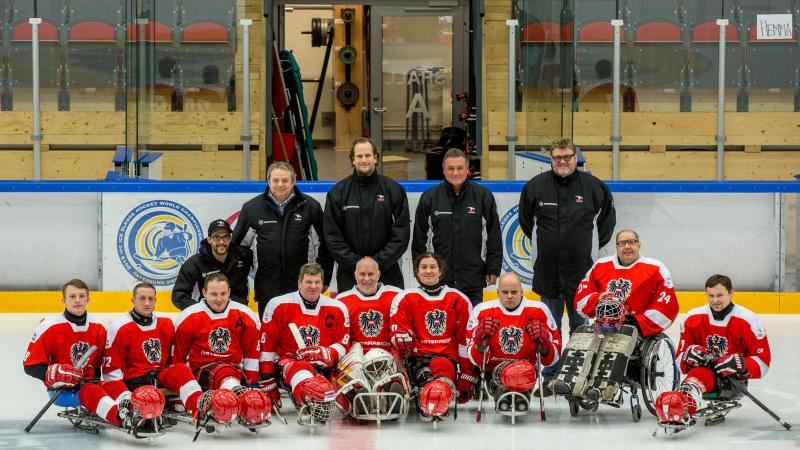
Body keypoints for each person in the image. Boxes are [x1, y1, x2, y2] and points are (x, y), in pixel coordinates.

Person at [518, 137, 616, 395]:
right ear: (550, 159)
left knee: (581, 329)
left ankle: (577, 376)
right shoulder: (535, 187)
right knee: (549, 330)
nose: (562, 162)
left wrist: (586, 252)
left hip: (582, 277)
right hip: (548, 273)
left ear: (576, 158)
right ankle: (550, 377)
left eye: (567, 157)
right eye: (557, 158)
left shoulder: (595, 187)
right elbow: (527, 223)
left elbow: (605, 226)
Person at [23, 279, 164, 434]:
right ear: (63, 300)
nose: (77, 300)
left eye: (82, 295)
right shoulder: (49, 326)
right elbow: (30, 365)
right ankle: (123, 419)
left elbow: (97, 366)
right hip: (62, 390)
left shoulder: (98, 326)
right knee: (91, 390)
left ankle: (138, 410)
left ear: (88, 299)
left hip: (90, 383)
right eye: (72, 296)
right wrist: (54, 373)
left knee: (114, 385)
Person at [655, 274, 771, 428]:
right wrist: (688, 355)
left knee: (700, 376)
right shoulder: (692, 318)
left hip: (733, 380)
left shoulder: (748, 319)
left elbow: (763, 363)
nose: (715, 300)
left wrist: (741, 363)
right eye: (711, 295)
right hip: (702, 374)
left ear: (731, 293)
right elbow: (680, 362)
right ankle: (681, 406)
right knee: (697, 375)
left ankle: (680, 405)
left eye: (720, 295)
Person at [233, 162, 333, 318]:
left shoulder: (311, 207)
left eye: (285, 180)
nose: (280, 185)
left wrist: (324, 278)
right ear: (268, 181)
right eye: (275, 180)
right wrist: (244, 279)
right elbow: (238, 248)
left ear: (293, 182)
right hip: (267, 289)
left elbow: (324, 245)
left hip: (302, 288)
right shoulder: (252, 208)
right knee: (270, 339)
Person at [173, 273, 270, 427]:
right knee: (222, 371)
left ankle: (238, 395)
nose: (219, 299)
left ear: (229, 292)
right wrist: (182, 390)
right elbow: (178, 359)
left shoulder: (244, 314)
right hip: (201, 375)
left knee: (226, 371)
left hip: (235, 371)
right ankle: (239, 396)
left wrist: (252, 382)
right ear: (204, 293)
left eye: (223, 294)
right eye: (213, 294)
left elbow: (251, 353)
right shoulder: (188, 317)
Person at [259, 263, 349, 426]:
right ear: (299, 282)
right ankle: (310, 399)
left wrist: (326, 353)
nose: (313, 287)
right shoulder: (278, 304)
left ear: (323, 284)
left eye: (317, 282)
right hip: (287, 362)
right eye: (308, 282)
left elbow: (343, 343)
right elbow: (267, 344)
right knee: (300, 367)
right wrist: (267, 378)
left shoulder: (338, 307)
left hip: (323, 364)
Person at [390, 252, 475, 421]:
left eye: (432, 267)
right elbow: (398, 333)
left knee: (440, 367)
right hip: (417, 360)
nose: (428, 271)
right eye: (423, 267)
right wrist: (402, 342)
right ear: (417, 272)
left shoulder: (458, 299)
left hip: (446, 360)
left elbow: (464, 341)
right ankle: (425, 394)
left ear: (440, 271)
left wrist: (467, 373)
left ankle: (437, 395)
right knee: (425, 376)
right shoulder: (405, 298)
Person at [412, 148, 502, 306]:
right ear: (444, 170)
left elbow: (493, 235)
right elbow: (420, 237)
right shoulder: (429, 198)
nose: (455, 173)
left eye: (460, 168)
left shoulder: (483, 196)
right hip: (438, 280)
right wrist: (419, 269)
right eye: (451, 168)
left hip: (472, 279)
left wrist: (493, 269)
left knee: (471, 328)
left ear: (468, 169)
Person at [104, 283, 203, 419]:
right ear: (133, 300)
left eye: (151, 299)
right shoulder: (120, 327)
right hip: (135, 380)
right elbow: (112, 373)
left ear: (155, 300)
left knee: (181, 369)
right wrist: (124, 397)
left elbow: (173, 360)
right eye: (142, 298)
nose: (147, 303)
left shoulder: (166, 323)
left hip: (159, 375)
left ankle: (200, 406)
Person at [324, 137, 410, 292]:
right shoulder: (338, 193)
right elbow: (332, 236)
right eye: (359, 156)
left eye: (368, 155)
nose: (364, 160)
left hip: (387, 273)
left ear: (376, 157)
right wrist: (358, 265)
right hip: (350, 275)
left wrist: (376, 263)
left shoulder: (393, 190)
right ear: (352, 160)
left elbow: (401, 234)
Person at [466, 273, 561, 412]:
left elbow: (551, 360)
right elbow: (475, 360)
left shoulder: (539, 310)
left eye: (514, 292)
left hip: (526, 370)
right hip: (493, 371)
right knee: (504, 394)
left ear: (522, 291)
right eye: (505, 292)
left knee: (518, 394)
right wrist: (480, 344)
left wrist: (545, 344)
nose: (509, 296)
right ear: (497, 292)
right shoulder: (482, 311)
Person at [333, 257, 409, 416]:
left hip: (385, 357)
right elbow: (339, 338)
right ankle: (359, 395)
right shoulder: (341, 301)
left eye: (370, 274)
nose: (366, 279)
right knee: (354, 367)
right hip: (355, 358)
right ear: (355, 275)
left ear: (379, 274)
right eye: (362, 274)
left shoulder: (396, 295)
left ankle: (388, 391)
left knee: (382, 360)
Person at [574, 229, 679, 338]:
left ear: (639, 245)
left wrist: (638, 322)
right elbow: (581, 298)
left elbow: (667, 306)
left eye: (631, 242)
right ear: (616, 247)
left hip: (637, 330)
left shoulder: (656, 268)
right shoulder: (600, 265)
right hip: (603, 328)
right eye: (622, 243)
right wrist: (598, 298)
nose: (627, 246)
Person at [172, 219, 252, 311]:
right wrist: (201, 311)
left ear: (230, 239)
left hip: (238, 313)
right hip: (208, 317)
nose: (221, 242)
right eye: (216, 237)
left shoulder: (243, 257)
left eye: (225, 237)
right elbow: (179, 296)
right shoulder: (195, 263)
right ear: (209, 239)